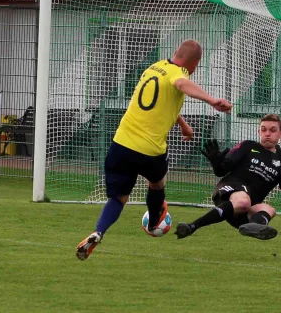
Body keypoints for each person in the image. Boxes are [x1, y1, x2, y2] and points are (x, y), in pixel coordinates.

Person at [76, 40, 232, 260]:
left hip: (121, 144)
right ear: (195, 64)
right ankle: (153, 220)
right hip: (149, 150)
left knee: (118, 198)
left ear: (175, 52)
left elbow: (162, 99)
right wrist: (212, 100)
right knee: (157, 183)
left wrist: (183, 124)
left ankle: (98, 232)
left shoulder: (154, 68)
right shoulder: (179, 74)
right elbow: (180, 84)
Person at [175, 114, 281, 241]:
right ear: (259, 131)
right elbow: (221, 170)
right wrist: (216, 162)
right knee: (243, 201)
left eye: (272, 130)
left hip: (244, 208)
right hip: (230, 191)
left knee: (269, 209)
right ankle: (191, 226)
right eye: (263, 129)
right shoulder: (248, 146)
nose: (267, 133)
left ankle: (252, 227)